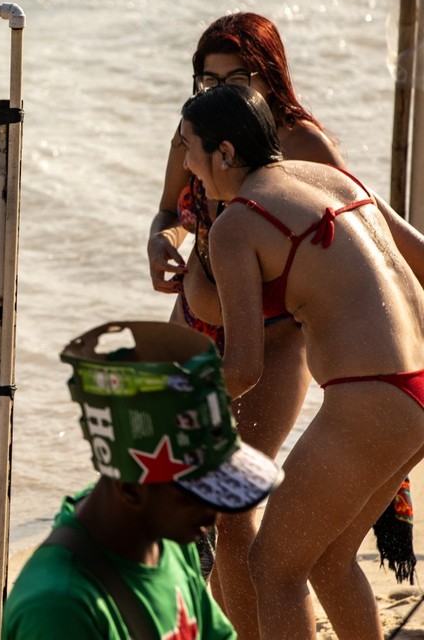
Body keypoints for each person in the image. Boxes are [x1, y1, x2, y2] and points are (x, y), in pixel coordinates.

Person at [181, 84, 424, 639]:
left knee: (273, 565)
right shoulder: (326, 178)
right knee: (328, 561)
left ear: (224, 153)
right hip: (417, 385)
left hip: (375, 393)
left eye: (190, 148)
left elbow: (242, 368)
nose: (188, 165)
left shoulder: (236, 223)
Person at [145, 12, 346, 636]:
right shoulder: (194, 131)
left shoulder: (303, 143)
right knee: (190, 505)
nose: (219, 91)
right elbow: (164, 215)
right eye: (207, 78)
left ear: (269, 76)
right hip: (193, 325)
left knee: (234, 502)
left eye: (237, 77)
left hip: (277, 340)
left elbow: (356, 236)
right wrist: (162, 244)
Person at [2, 320, 282, 639]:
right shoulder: (60, 608)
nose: (213, 514)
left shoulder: (170, 542)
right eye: (198, 495)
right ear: (131, 489)